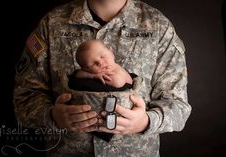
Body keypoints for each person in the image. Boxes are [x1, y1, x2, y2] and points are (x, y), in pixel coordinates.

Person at [13, 0, 192, 156]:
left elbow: (178, 106)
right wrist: (52, 116)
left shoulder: (158, 26)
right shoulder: (53, 24)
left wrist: (146, 122)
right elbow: (25, 98)